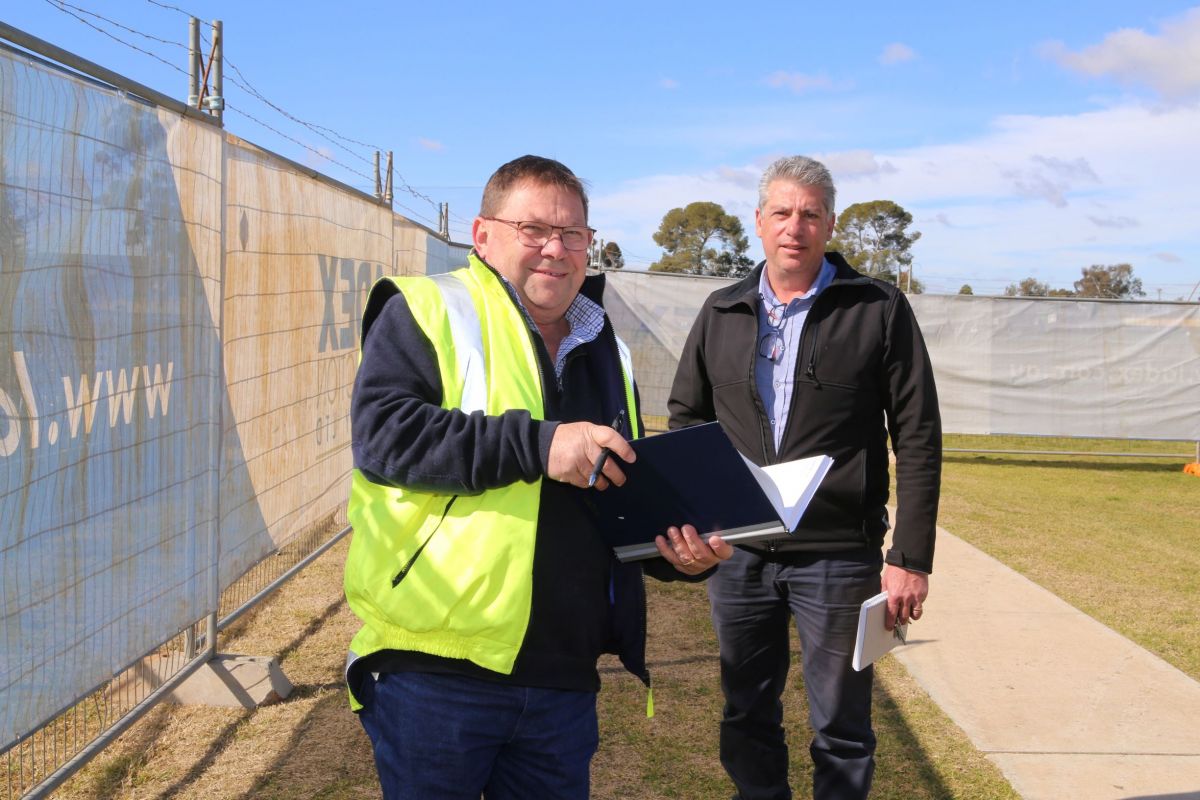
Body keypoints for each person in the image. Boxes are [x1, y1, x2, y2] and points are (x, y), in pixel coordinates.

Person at [343, 154, 730, 800]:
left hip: (562, 681)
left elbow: (617, 491)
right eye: (534, 230)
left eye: (574, 234)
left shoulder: (609, 347)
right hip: (437, 671)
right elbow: (385, 437)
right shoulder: (426, 310)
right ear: (483, 234)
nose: (556, 249)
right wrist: (540, 445)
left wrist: (679, 555)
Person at [668, 155, 942, 800]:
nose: (796, 226)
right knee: (746, 714)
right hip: (738, 556)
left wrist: (909, 557)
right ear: (759, 222)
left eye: (811, 214)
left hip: (839, 558)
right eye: (783, 213)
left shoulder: (877, 308)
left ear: (831, 224)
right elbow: (686, 420)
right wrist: (699, 522)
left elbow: (919, 437)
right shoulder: (722, 310)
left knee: (842, 727)